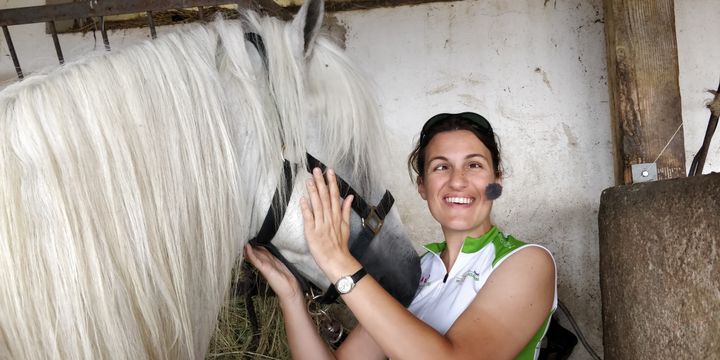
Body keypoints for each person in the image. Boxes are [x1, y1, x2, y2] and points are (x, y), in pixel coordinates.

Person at [245, 112, 557, 360]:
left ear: (496, 181)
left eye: (474, 165)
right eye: (441, 167)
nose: (458, 181)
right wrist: (291, 298)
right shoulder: (414, 273)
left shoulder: (526, 262)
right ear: (422, 186)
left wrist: (338, 262)